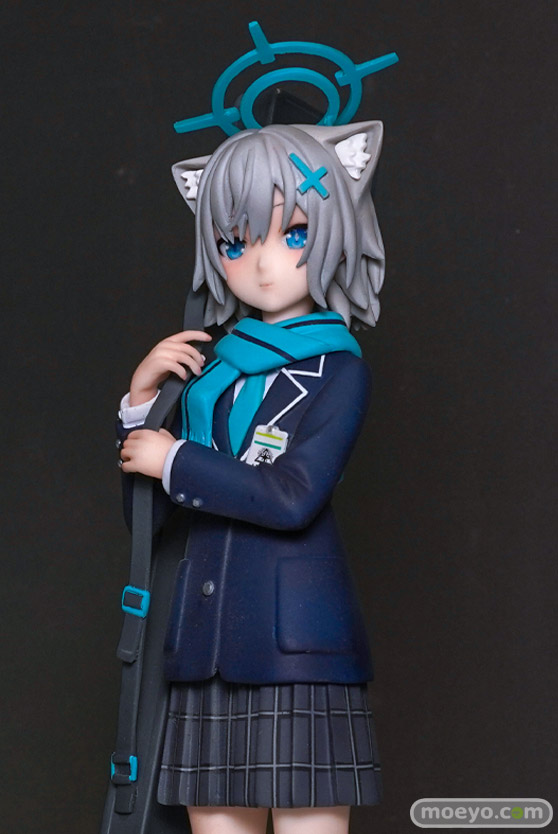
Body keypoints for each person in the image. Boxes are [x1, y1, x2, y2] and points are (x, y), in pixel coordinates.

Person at [118, 122, 385, 834]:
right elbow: (154, 524)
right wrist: (143, 407)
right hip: (204, 646)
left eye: (293, 232)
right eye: (234, 242)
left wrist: (174, 458)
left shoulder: (338, 371)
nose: (263, 264)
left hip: (297, 646)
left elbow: (292, 497)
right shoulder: (208, 376)